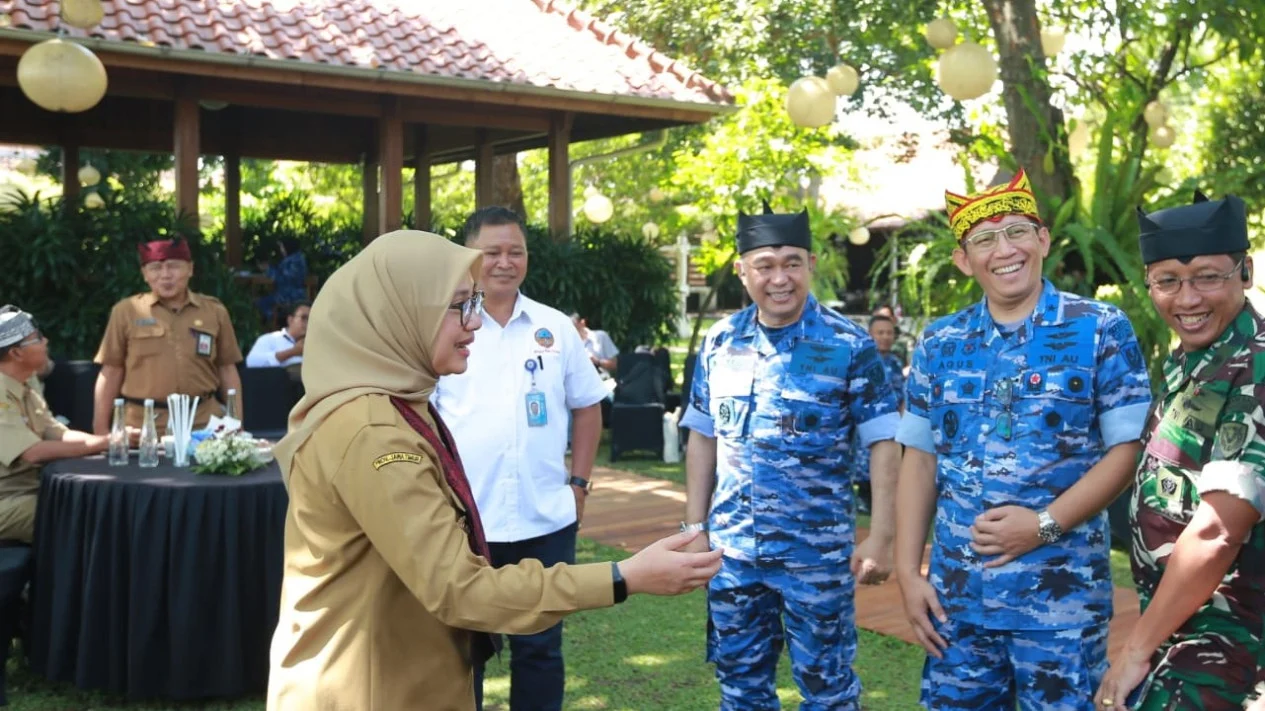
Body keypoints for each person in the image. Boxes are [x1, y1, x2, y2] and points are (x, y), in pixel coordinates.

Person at [266, 230, 723, 710]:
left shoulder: (396, 402)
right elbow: (461, 589)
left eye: (475, 302)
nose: (475, 323)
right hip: (369, 687)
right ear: (399, 313)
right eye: (459, 305)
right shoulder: (372, 430)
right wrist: (623, 576)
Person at [894, 169, 1153, 710]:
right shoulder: (940, 342)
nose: (1003, 249)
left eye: (1017, 231)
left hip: (1059, 605)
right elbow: (917, 462)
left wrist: (1041, 527)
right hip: (956, 602)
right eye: (984, 239)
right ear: (965, 260)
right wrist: (906, 571)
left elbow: (1126, 451)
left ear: (1043, 240)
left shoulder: (1100, 327)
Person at [680, 202, 902, 710]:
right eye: (765, 265)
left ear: (812, 265)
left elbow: (884, 443)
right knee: (740, 690)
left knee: (828, 692)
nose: (780, 278)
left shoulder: (849, 344)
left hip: (817, 559)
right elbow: (702, 435)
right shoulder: (719, 341)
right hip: (733, 555)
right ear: (742, 271)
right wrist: (694, 529)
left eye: (792, 263)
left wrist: (883, 536)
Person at [432, 207, 608, 711]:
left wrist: (579, 484)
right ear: (470, 258)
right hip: (468, 519)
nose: (504, 262)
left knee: (541, 649)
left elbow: (588, 406)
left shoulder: (553, 327)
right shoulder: (447, 326)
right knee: (465, 649)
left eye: (516, 251)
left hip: (545, 516)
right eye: (492, 253)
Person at [1095, 192, 1265, 710]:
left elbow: (1219, 530)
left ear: (1246, 272)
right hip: (1183, 624)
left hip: (1232, 639)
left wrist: (1134, 650)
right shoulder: (1193, 363)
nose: (1187, 299)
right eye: (1167, 281)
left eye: (1208, 277)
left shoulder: (1253, 368)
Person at [92, 238, 245, 434]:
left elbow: (227, 369)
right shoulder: (126, 311)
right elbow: (111, 371)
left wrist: (237, 423)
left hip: (203, 424)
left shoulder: (213, 311)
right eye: (155, 268)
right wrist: (101, 430)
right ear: (145, 274)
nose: (165, 275)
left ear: (190, 269)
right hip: (142, 427)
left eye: (173, 266)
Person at [0, 306, 110, 542]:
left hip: (27, 492)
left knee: (90, 503)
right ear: (16, 354)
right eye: (37, 338)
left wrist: (115, 441)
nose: (46, 341)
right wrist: (102, 443)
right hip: (6, 502)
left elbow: (57, 433)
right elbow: (32, 452)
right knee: (75, 515)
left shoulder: (24, 386)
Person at [851, 313, 906, 514]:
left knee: (891, 465)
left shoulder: (895, 364)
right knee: (864, 461)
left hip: (893, 424)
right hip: (866, 421)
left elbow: (902, 394)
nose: (885, 337)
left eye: (889, 333)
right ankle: (863, 498)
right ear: (870, 335)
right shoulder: (860, 361)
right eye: (880, 332)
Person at [256, 237, 308, 324]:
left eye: (282, 247)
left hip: (288, 296)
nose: (281, 250)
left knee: (260, 303)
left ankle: (273, 322)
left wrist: (268, 269)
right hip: (298, 295)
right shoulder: (299, 259)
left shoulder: (291, 262)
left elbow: (283, 279)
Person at [245, 301, 309, 368]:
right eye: (304, 318)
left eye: (311, 319)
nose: (308, 323)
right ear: (290, 320)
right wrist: (292, 352)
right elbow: (252, 362)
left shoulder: (318, 343)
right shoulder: (271, 339)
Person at [571, 313, 619, 379]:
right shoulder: (569, 347)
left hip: (605, 381)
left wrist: (597, 362)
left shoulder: (601, 336)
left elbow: (614, 365)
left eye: (574, 328)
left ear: (582, 323)